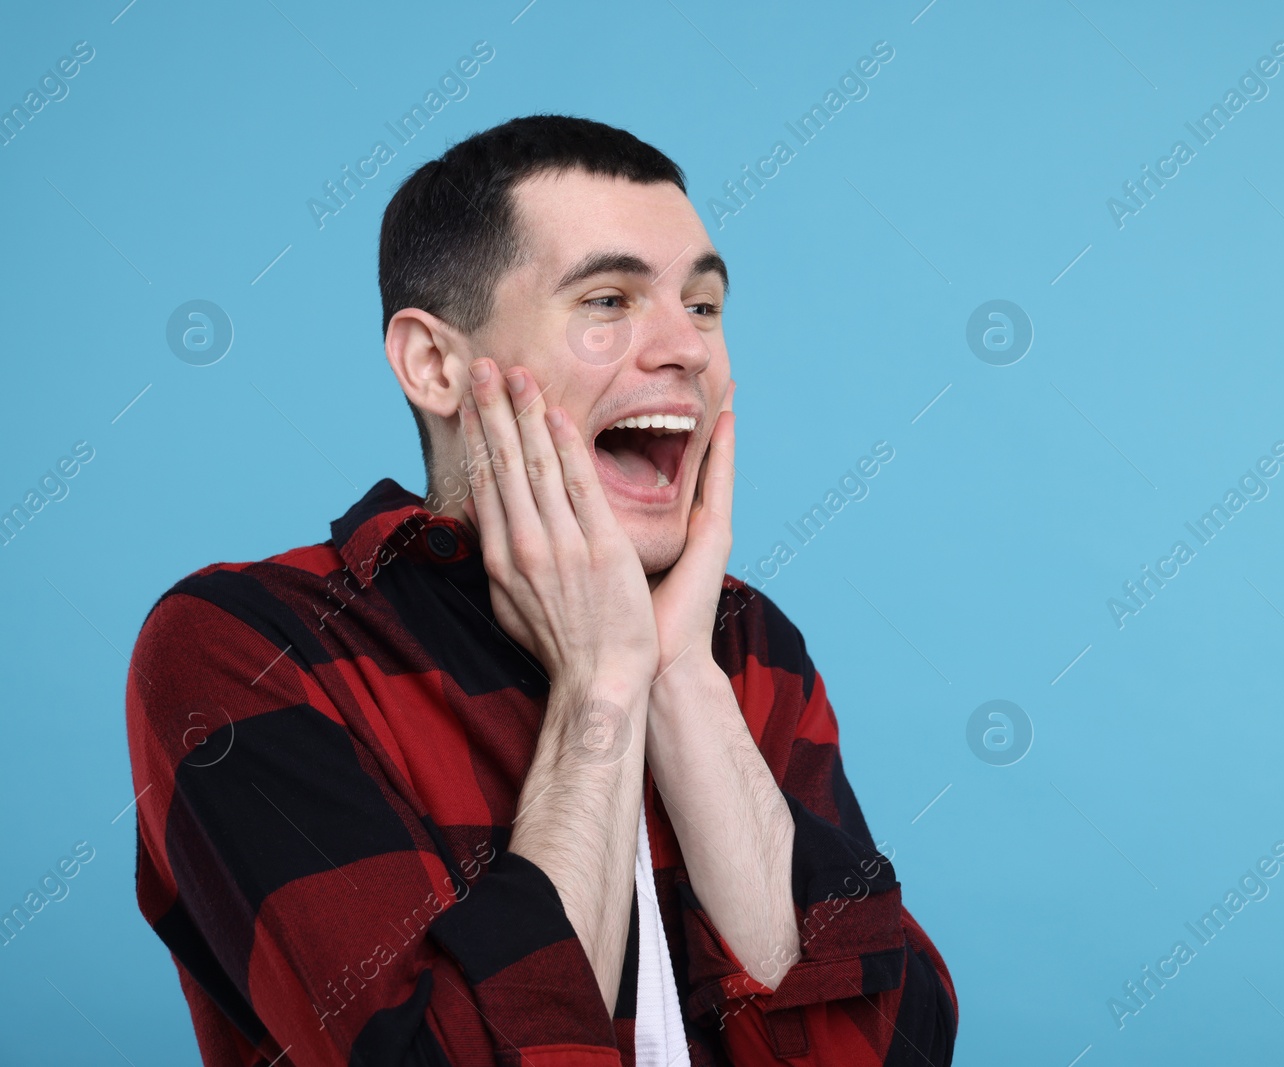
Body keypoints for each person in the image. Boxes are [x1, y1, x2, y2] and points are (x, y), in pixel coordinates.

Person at [125, 114, 957, 1066]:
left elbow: (890, 1053)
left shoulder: (747, 643)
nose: (685, 348)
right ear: (436, 365)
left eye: (703, 306)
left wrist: (680, 676)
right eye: (608, 299)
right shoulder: (247, 647)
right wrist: (601, 685)